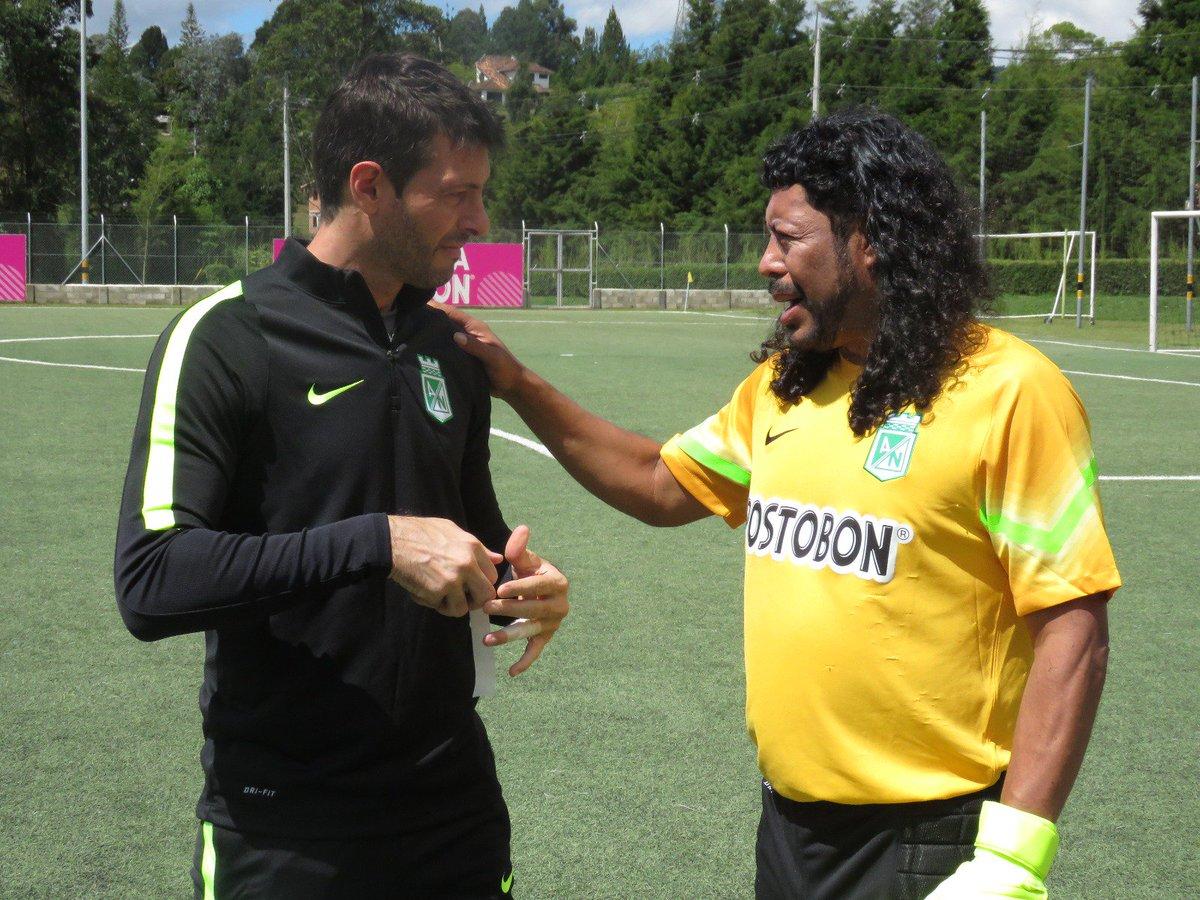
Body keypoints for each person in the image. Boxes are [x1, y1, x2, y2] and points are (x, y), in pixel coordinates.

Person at [445, 109, 1119, 898]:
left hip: (931, 843)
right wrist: (518, 383)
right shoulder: (785, 386)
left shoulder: (1010, 392)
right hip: (791, 829)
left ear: (871, 238)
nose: (767, 263)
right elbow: (660, 484)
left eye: (788, 237)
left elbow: (1074, 624)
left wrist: (1012, 857)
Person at [114, 54, 568, 899]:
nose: (479, 218)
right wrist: (377, 543)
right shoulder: (224, 338)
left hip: (452, 811)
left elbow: (468, 532)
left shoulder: (452, 349)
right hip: (285, 825)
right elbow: (150, 580)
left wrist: (517, 582)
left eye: (482, 191)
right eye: (455, 192)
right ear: (369, 186)